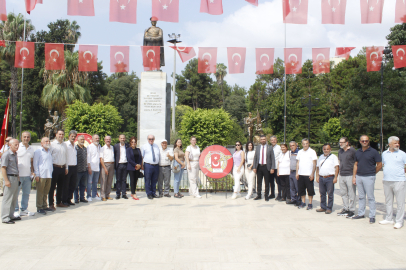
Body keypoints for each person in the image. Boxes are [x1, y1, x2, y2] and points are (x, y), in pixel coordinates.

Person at [351, 135, 382, 224]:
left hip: (369, 177)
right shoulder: (358, 152)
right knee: (361, 197)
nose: (365, 142)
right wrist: (354, 176)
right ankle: (361, 213)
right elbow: (355, 164)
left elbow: (379, 164)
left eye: (366, 141)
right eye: (363, 141)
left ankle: (372, 215)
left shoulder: (373, 152)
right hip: (359, 176)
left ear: (368, 141)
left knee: (370, 197)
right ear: (360, 141)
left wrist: (373, 172)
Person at [380, 136, 406, 229]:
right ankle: (389, 218)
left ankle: (399, 221)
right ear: (390, 144)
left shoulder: (402, 154)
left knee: (400, 202)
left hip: (399, 180)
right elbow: (383, 164)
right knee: (388, 201)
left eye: (398, 143)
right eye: (395, 143)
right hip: (387, 180)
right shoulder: (384, 154)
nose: (397, 144)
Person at [14, 132, 35, 217]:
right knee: (16, 193)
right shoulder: (17, 147)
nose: (26, 138)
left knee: (26, 193)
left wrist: (32, 171)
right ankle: (15, 210)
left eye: (28, 137)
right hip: (18, 175)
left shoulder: (31, 149)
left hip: (27, 175)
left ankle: (24, 209)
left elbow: (31, 161)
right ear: (21, 137)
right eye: (24, 137)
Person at [315, 144, 339, 214]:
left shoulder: (333, 157)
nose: (326, 150)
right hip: (322, 177)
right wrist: (317, 176)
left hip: (330, 177)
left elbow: (337, 167)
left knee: (330, 193)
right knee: (322, 193)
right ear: (323, 150)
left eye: (327, 149)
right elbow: (317, 167)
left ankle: (329, 208)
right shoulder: (321, 157)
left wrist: (335, 177)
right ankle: (323, 207)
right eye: (324, 149)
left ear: (330, 149)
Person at [1, 139, 20, 224]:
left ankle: (11, 215)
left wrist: (18, 178)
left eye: (18, 145)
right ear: (10, 145)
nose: (17, 146)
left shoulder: (15, 154)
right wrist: (6, 180)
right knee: (7, 199)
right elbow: (3, 168)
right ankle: (5, 217)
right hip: (9, 178)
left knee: (14, 198)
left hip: (15, 178)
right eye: (15, 145)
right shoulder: (6, 154)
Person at [337, 137, 357, 217]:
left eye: (342, 142)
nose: (340, 144)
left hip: (350, 174)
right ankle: (345, 208)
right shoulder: (340, 151)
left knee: (351, 193)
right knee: (343, 193)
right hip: (342, 174)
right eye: (340, 142)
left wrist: (354, 176)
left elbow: (356, 163)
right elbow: (340, 161)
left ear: (347, 143)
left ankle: (352, 210)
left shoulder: (352, 151)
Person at [33, 137, 54, 215]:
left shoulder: (49, 151)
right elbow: (35, 163)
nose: (48, 142)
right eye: (46, 141)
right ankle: (39, 207)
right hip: (41, 175)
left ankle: (45, 205)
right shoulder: (38, 151)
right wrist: (37, 174)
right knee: (40, 192)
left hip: (49, 174)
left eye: (48, 141)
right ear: (41, 143)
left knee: (46, 191)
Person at [296, 138, 317, 210]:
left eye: (307, 143)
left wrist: (312, 173)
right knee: (301, 189)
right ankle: (303, 202)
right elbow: (298, 163)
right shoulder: (300, 152)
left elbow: (314, 164)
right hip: (301, 174)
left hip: (308, 174)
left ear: (309, 144)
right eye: (304, 144)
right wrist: (297, 173)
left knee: (310, 190)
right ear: (302, 144)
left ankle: (310, 203)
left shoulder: (312, 152)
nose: (305, 145)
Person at [253, 135, 276, 201]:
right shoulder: (257, 147)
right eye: (262, 139)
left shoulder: (270, 148)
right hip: (259, 166)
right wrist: (254, 167)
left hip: (267, 167)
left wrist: (272, 168)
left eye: (264, 139)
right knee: (259, 182)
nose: (263, 140)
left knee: (267, 182)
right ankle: (259, 195)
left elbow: (272, 159)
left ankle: (266, 196)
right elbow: (255, 158)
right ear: (260, 140)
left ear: (266, 140)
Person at [49, 129, 68, 209]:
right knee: (52, 187)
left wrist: (66, 167)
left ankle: (59, 202)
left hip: (62, 167)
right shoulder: (52, 144)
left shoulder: (64, 145)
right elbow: (49, 157)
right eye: (59, 134)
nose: (61, 136)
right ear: (56, 135)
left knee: (61, 186)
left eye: (62, 134)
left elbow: (66, 157)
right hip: (54, 167)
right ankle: (51, 203)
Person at [141, 134, 160, 200]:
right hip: (148, 165)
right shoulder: (144, 146)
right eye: (150, 139)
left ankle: (153, 193)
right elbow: (142, 156)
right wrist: (141, 165)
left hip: (156, 165)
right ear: (147, 139)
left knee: (154, 180)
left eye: (152, 139)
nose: (151, 140)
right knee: (148, 180)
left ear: (154, 139)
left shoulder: (156, 146)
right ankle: (149, 193)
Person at [64, 130, 77, 206]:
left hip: (74, 166)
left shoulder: (74, 145)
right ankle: (64, 200)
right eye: (72, 136)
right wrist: (66, 167)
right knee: (66, 185)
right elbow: (65, 156)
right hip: (67, 167)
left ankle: (69, 199)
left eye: (74, 136)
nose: (73, 137)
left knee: (72, 185)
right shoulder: (65, 144)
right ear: (69, 136)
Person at [113, 134, 129, 200]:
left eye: (123, 138)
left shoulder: (127, 146)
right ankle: (118, 194)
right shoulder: (116, 146)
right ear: (119, 139)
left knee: (124, 180)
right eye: (121, 138)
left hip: (125, 164)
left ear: (125, 139)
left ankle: (124, 193)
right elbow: (114, 156)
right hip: (119, 165)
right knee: (118, 180)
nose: (122, 139)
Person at [100, 136, 115, 201]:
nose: (108, 140)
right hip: (105, 165)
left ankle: (107, 195)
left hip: (112, 164)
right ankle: (103, 195)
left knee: (109, 181)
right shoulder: (102, 148)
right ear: (104, 140)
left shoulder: (112, 147)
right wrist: (105, 168)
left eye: (109, 139)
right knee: (104, 181)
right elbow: (101, 159)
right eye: (107, 139)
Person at [87, 134, 101, 202]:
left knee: (95, 182)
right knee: (89, 182)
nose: (97, 139)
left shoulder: (99, 146)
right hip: (91, 167)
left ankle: (94, 195)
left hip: (97, 167)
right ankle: (88, 196)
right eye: (96, 138)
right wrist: (89, 167)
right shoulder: (89, 147)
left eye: (98, 138)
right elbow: (88, 158)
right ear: (92, 139)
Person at [74, 135, 88, 203]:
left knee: (83, 185)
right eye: (81, 139)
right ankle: (76, 199)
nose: (82, 141)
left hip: (84, 170)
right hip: (77, 170)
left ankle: (82, 198)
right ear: (77, 140)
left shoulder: (85, 148)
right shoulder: (75, 148)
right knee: (76, 186)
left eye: (83, 139)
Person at [270, 136, 282, 200]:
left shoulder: (279, 148)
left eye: (274, 140)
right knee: (271, 182)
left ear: (276, 140)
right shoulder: (269, 148)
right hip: (271, 168)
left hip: (277, 167)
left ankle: (280, 194)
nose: (273, 141)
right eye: (272, 140)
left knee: (278, 182)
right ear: (270, 141)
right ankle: (272, 194)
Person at [288, 141, 300, 205]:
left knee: (297, 187)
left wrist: (298, 172)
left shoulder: (299, 152)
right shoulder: (290, 152)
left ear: (296, 145)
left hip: (296, 171)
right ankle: (293, 199)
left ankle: (299, 200)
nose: (292, 147)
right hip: (291, 171)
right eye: (290, 146)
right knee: (292, 187)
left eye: (293, 145)